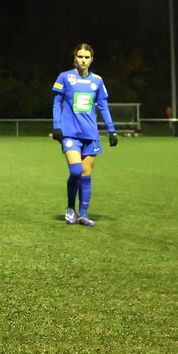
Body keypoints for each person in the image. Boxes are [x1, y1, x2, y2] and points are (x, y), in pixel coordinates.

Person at [52, 43, 117, 226]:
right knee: (76, 170)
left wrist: (111, 130)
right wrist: (57, 126)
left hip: (90, 134)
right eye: (80, 56)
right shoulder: (65, 77)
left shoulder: (97, 81)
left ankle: (83, 214)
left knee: (86, 174)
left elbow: (103, 106)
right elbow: (57, 104)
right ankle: (71, 208)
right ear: (75, 58)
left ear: (91, 59)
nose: (83, 60)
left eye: (86, 57)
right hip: (70, 133)